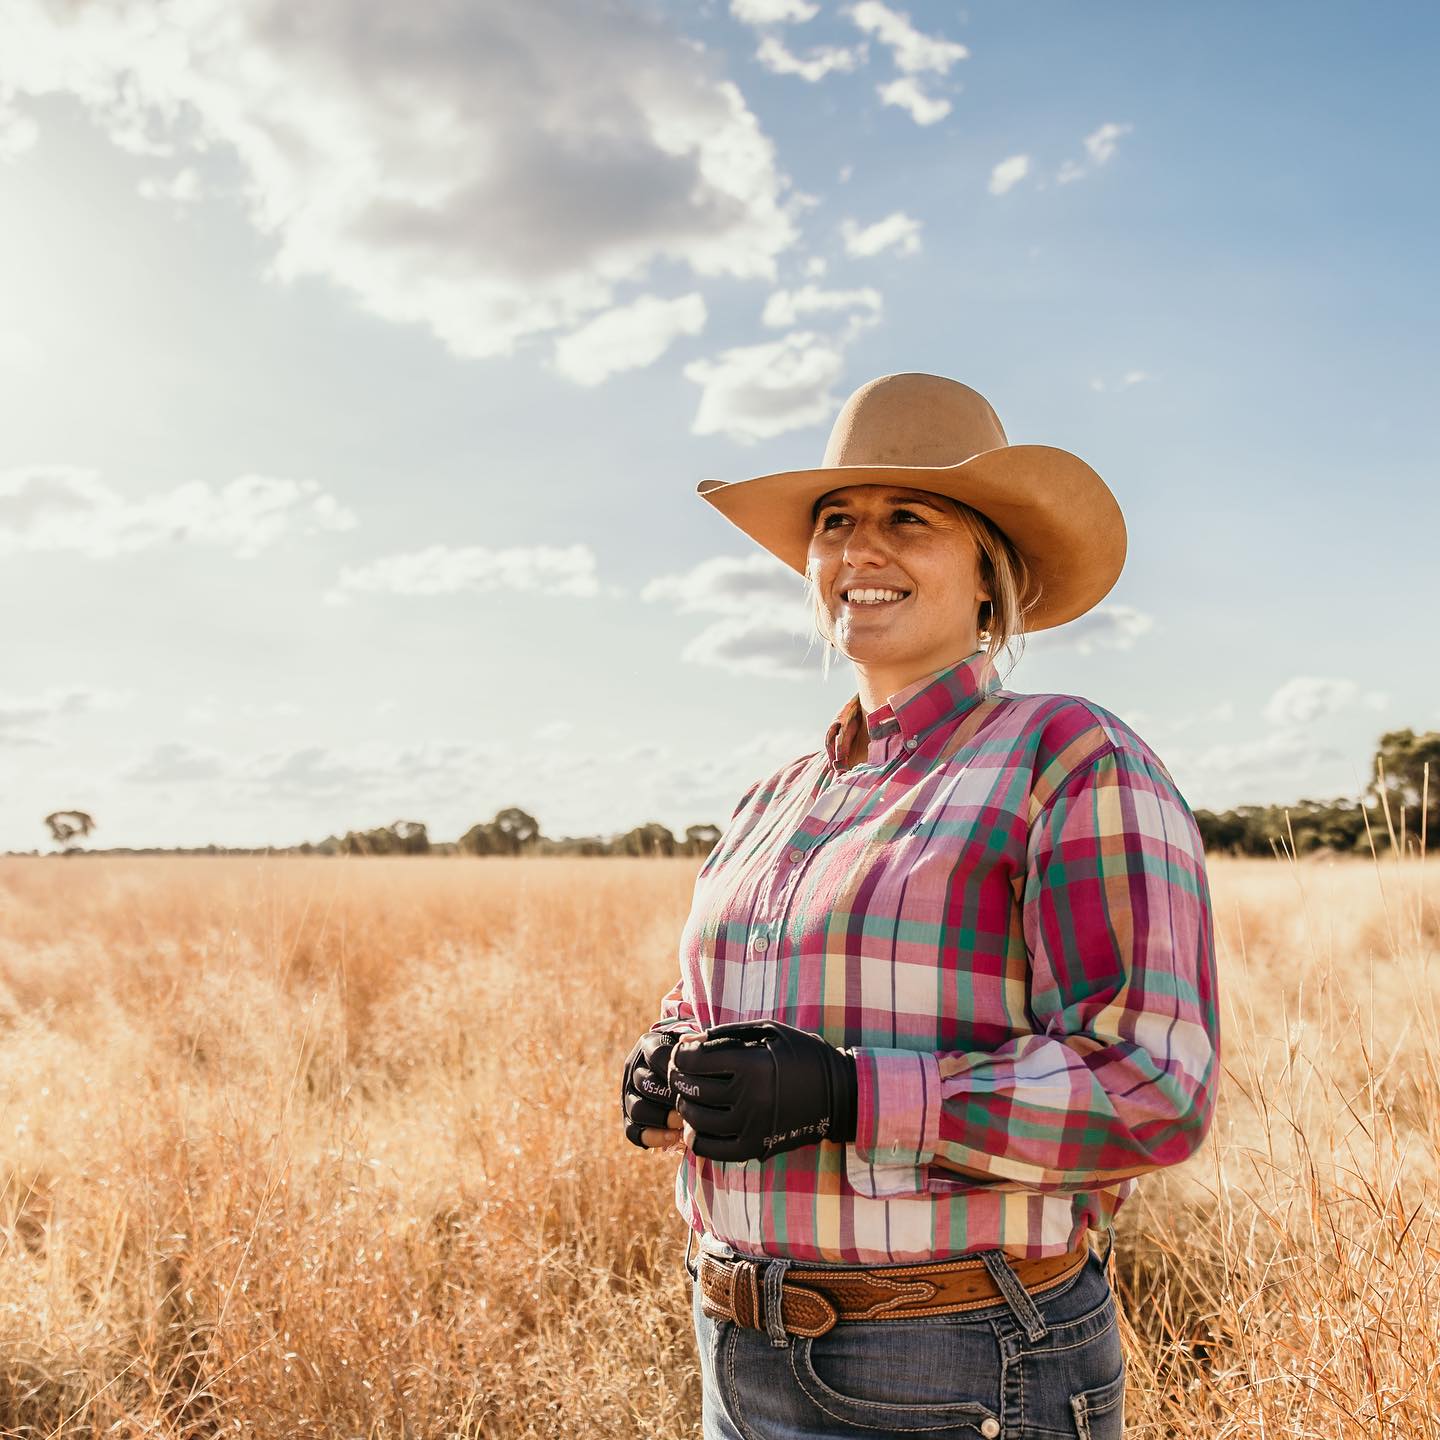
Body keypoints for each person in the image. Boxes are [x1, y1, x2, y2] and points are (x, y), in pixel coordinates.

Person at [622, 372, 1221, 1440]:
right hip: (734, 1347)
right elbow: (716, 1001)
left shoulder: (1069, 755)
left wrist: (850, 1097)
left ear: (991, 573)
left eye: (910, 518)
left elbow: (1153, 1088)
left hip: (956, 1363)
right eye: (836, 521)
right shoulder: (776, 796)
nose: (861, 550)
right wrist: (675, 1062)